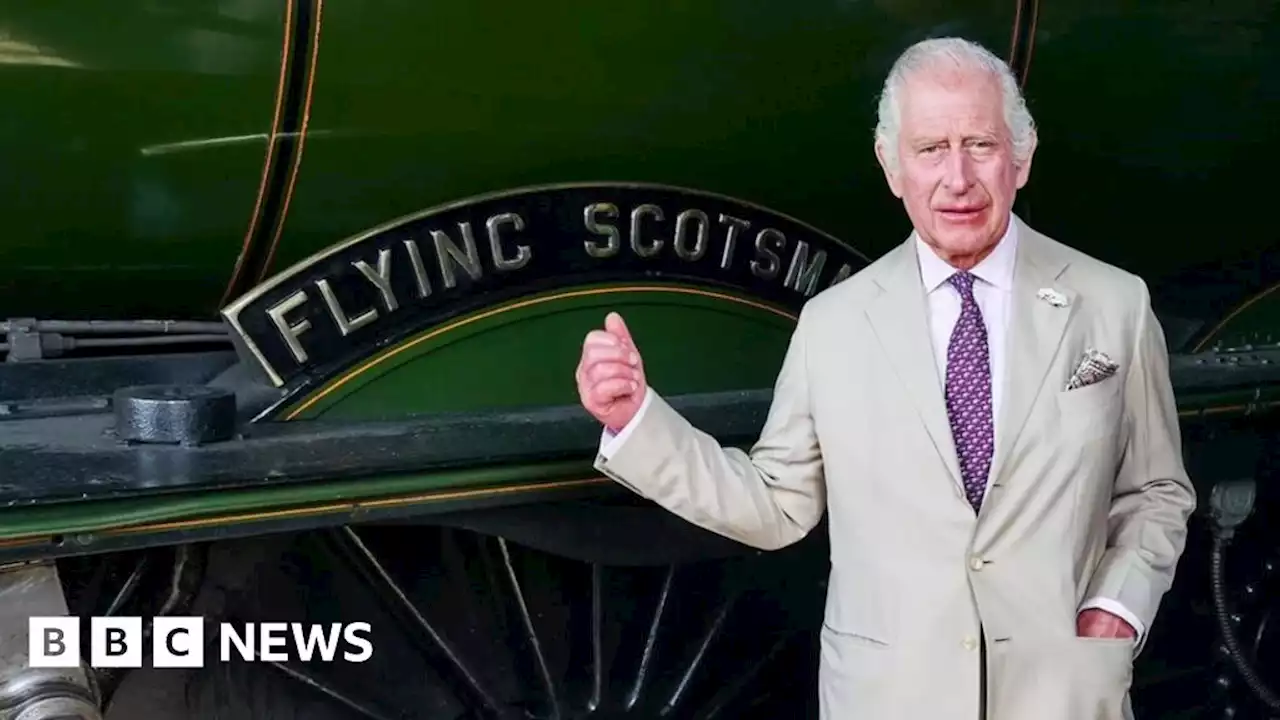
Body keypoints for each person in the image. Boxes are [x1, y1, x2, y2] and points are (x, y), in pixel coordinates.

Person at [573, 36, 1196, 720]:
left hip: (1065, 695)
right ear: (891, 165)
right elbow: (777, 505)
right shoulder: (833, 324)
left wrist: (1118, 608)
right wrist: (634, 420)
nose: (956, 178)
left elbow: (1157, 489)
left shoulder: (1113, 303)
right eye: (930, 150)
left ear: (1021, 157)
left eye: (980, 146)